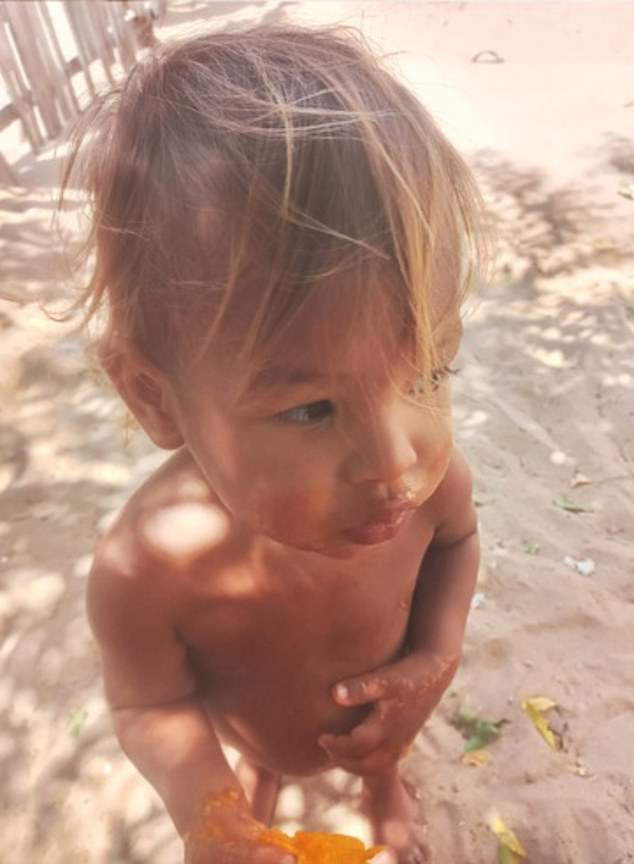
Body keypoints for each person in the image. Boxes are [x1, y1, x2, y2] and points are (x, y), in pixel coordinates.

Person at [62, 23, 486, 864]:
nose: (396, 462)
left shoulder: (428, 489)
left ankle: (380, 783)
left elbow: (457, 544)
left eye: (428, 374)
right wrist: (205, 808)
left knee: (380, 745)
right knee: (250, 777)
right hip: (252, 734)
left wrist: (435, 656)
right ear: (155, 396)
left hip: (381, 710)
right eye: (312, 409)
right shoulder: (146, 569)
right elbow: (150, 706)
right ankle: (253, 786)